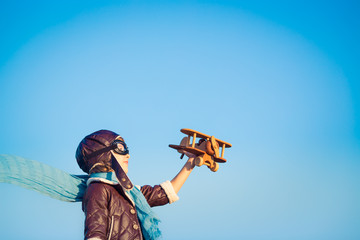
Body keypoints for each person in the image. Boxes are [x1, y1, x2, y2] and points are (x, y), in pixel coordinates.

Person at [75, 129, 195, 240]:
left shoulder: (131, 192)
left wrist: (191, 162)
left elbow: (164, 194)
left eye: (127, 148)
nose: (128, 154)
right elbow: (95, 234)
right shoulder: (98, 189)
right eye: (120, 147)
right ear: (101, 154)